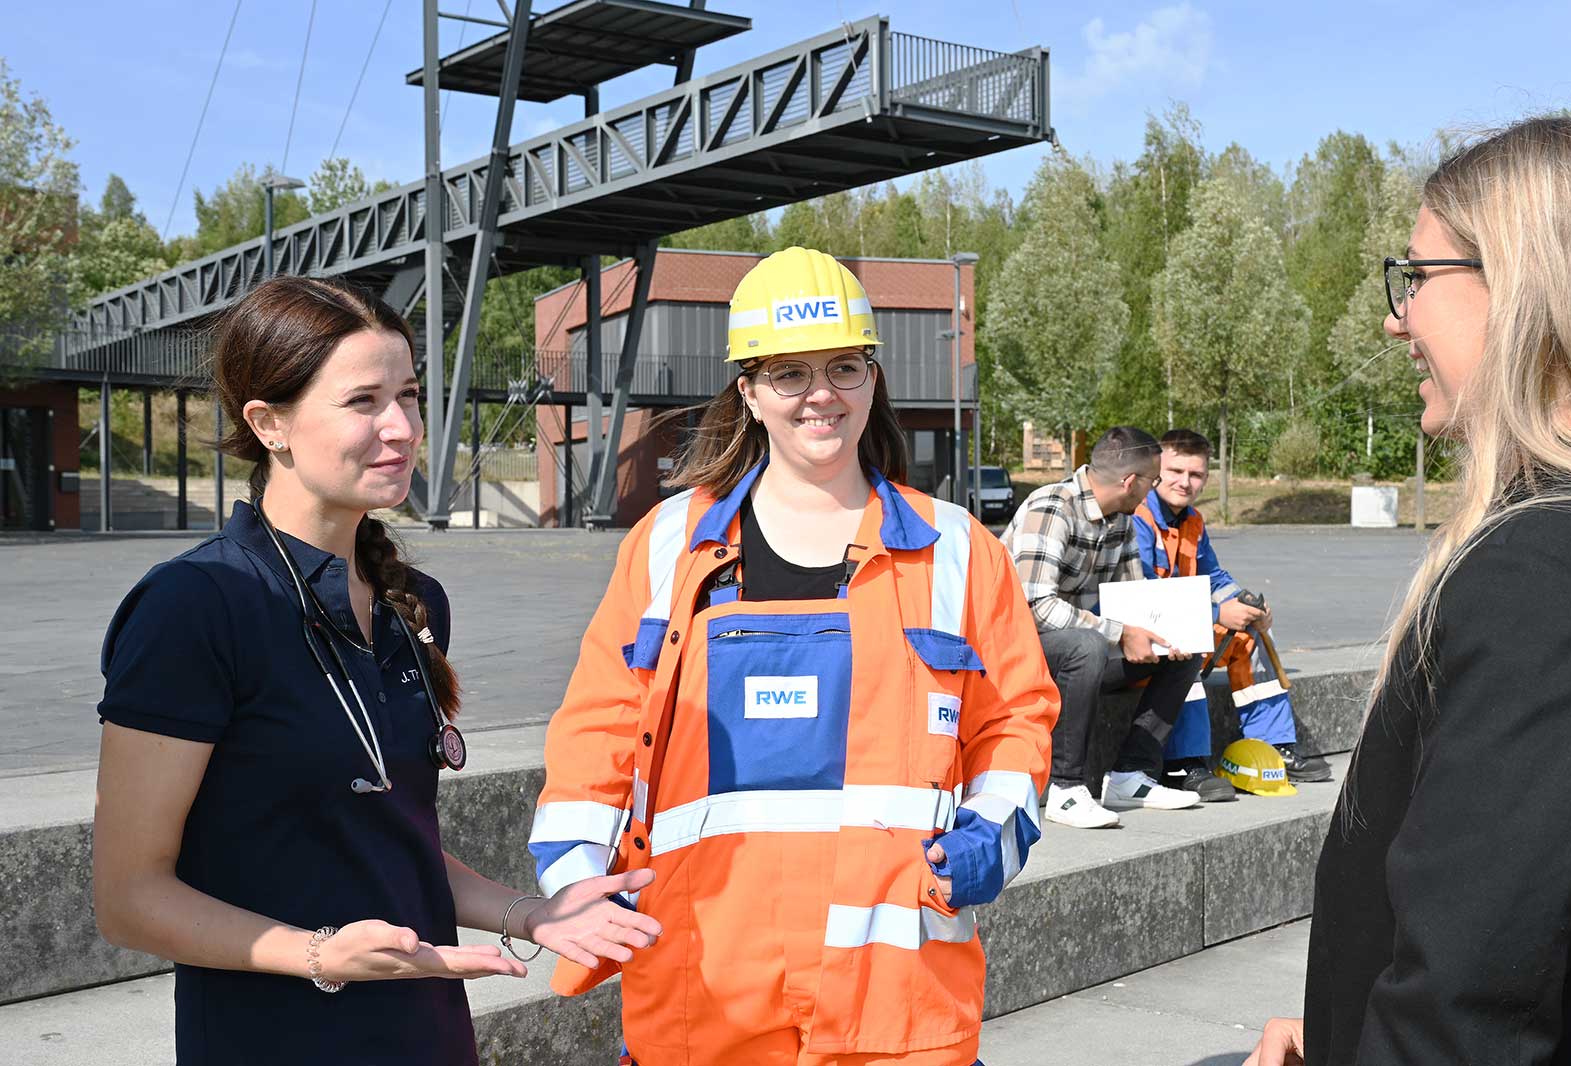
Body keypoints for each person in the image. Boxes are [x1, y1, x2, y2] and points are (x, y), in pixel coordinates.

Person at [91, 277, 659, 1066]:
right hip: (274, 1041)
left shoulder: (413, 603)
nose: (401, 428)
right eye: (363, 401)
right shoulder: (195, 607)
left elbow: (391, 844)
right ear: (270, 423)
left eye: (411, 395)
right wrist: (318, 954)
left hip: (426, 1032)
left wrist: (534, 914)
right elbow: (128, 898)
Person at [528, 247, 1057, 1065]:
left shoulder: (957, 550)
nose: (821, 395)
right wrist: (570, 877)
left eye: (844, 367)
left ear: (874, 378)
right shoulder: (669, 546)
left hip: (894, 999)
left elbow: (1016, 720)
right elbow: (601, 723)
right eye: (789, 374)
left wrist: (996, 827)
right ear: (748, 390)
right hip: (704, 989)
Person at [1248, 116, 1571, 1065]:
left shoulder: (1547, 568)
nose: (1394, 318)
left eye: (1416, 278)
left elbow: (1471, 1007)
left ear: (1522, 284)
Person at [999, 427, 1202, 829]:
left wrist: (1164, 634)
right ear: (1131, 481)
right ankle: (1066, 790)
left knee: (1183, 649)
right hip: (1009, 650)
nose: (1153, 490)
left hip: (1067, 649)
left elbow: (1135, 604)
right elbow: (1033, 605)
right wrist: (1119, 633)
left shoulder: (1121, 522)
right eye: (1152, 480)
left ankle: (1131, 775)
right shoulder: (1053, 506)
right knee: (1087, 646)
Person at [1131, 428, 1331, 802]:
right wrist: (1218, 611)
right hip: (1142, 641)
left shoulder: (1192, 521)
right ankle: (1183, 764)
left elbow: (1214, 577)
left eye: (1195, 474)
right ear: (1156, 469)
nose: (1185, 482)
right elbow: (1142, 596)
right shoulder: (1137, 518)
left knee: (1250, 637)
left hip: (1181, 628)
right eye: (1175, 471)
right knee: (1187, 645)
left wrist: (1247, 603)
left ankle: (1275, 746)